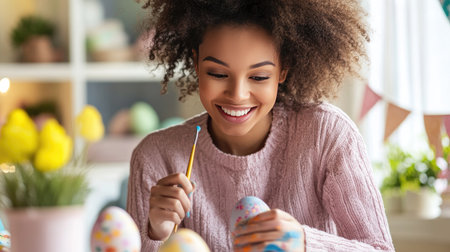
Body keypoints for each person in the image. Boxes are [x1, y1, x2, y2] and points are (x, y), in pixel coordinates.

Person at [127, 0, 395, 251]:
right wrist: (157, 234)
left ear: (283, 70)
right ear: (196, 63)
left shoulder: (328, 136)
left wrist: (304, 242)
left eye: (258, 76)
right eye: (218, 74)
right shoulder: (156, 157)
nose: (237, 94)